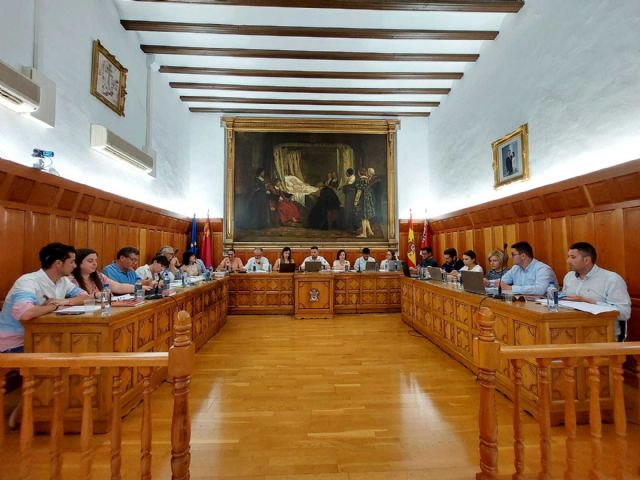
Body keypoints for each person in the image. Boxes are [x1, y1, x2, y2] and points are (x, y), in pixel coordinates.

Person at [0, 243, 88, 353]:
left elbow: (85, 296)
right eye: (72, 262)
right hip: (16, 343)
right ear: (58, 264)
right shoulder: (28, 281)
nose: (75, 266)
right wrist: (54, 306)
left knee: (80, 350)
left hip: (43, 337)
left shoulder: (63, 281)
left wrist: (64, 301)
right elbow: (25, 313)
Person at [562, 242, 631, 341]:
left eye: (573, 257)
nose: (568, 261)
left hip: (603, 336)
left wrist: (591, 302)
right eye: (568, 257)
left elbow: (625, 313)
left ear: (586, 260)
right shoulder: (569, 277)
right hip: (571, 332)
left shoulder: (611, 279)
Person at [71, 248, 138, 297]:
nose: (95, 263)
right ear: (78, 262)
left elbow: (118, 287)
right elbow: (78, 299)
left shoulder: (99, 275)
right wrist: (96, 295)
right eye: (90, 261)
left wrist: (140, 287)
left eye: (95, 261)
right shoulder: (70, 279)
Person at [354, 168, 375, 238]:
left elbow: (359, 192)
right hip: (368, 200)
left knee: (363, 217)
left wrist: (356, 201)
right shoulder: (367, 180)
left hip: (363, 200)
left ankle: (364, 233)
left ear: (359, 173)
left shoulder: (360, 180)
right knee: (366, 217)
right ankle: (370, 231)